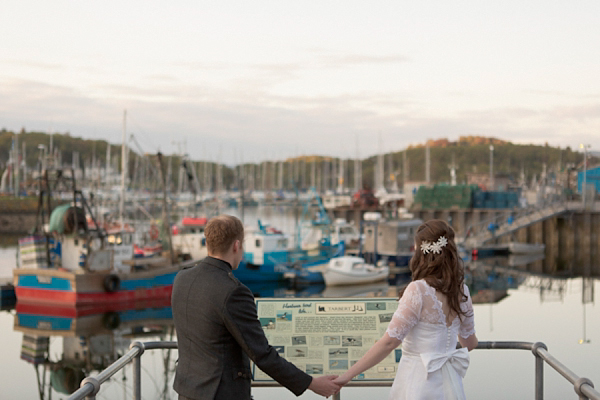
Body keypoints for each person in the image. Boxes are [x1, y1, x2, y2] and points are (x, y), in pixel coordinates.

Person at [171, 215, 340, 400]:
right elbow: (262, 354)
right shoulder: (233, 291)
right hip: (222, 394)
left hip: (186, 391)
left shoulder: (182, 278)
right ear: (236, 246)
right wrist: (312, 383)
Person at [333, 219, 478, 400]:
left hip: (418, 383)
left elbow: (389, 343)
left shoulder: (418, 290)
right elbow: (469, 344)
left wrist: (346, 376)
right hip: (450, 384)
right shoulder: (462, 290)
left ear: (421, 252)